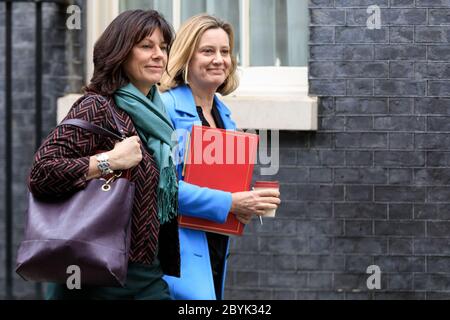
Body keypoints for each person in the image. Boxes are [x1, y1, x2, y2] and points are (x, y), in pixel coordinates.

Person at [28, 10, 180, 300]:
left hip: (146, 273)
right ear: (121, 52)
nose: (159, 54)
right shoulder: (96, 106)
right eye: (146, 46)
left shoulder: (157, 114)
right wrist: (108, 161)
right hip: (95, 274)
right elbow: (42, 172)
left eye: (163, 47)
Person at [159, 14, 281, 300]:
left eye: (225, 51)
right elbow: (162, 189)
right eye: (207, 51)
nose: (219, 59)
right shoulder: (164, 107)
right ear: (186, 57)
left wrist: (247, 203)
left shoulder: (224, 116)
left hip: (214, 242)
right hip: (175, 250)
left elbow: (215, 184)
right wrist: (231, 202)